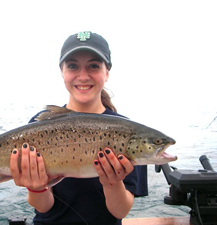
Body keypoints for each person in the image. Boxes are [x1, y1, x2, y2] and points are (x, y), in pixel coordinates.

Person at [10, 31, 148, 225]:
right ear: (62, 72)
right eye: (73, 66)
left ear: (106, 72)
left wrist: (113, 183)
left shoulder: (127, 132)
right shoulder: (39, 126)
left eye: (93, 66)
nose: (83, 76)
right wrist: (36, 188)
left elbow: (120, 211)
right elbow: (43, 207)